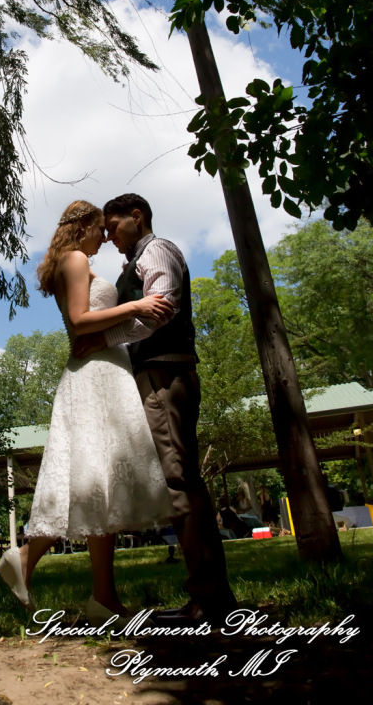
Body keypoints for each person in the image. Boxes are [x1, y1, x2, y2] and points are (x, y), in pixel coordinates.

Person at [0, 200, 173, 622]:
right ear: (84, 227)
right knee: (93, 479)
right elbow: (79, 319)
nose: (106, 237)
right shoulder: (75, 258)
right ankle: (27, 558)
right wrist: (137, 306)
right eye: (101, 229)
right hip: (94, 375)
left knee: (100, 485)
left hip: (104, 368)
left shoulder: (71, 260)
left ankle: (102, 597)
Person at [73, 193, 237, 626]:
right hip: (156, 375)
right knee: (178, 480)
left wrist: (104, 339)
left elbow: (161, 310)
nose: (108, 237)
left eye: (112, 227)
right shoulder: (136, 261)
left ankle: (209, 601)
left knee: (179, 480)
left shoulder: (158, 250)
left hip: (165, 374)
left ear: (137, 216)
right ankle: (210, 596)